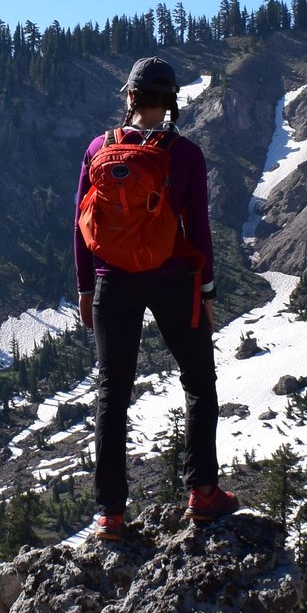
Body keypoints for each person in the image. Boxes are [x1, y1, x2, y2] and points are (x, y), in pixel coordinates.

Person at [74, 57, 239, 539]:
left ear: (129, 97)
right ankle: (203, 493)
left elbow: (81, 225)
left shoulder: (96, 149)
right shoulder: (185, 154)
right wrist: (205, 289)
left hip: (112, 282)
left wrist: (87, 286)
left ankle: (111, 514)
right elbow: (199, 229)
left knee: (112, 393)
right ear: (172, 103)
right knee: (197, 380)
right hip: (172, 279)